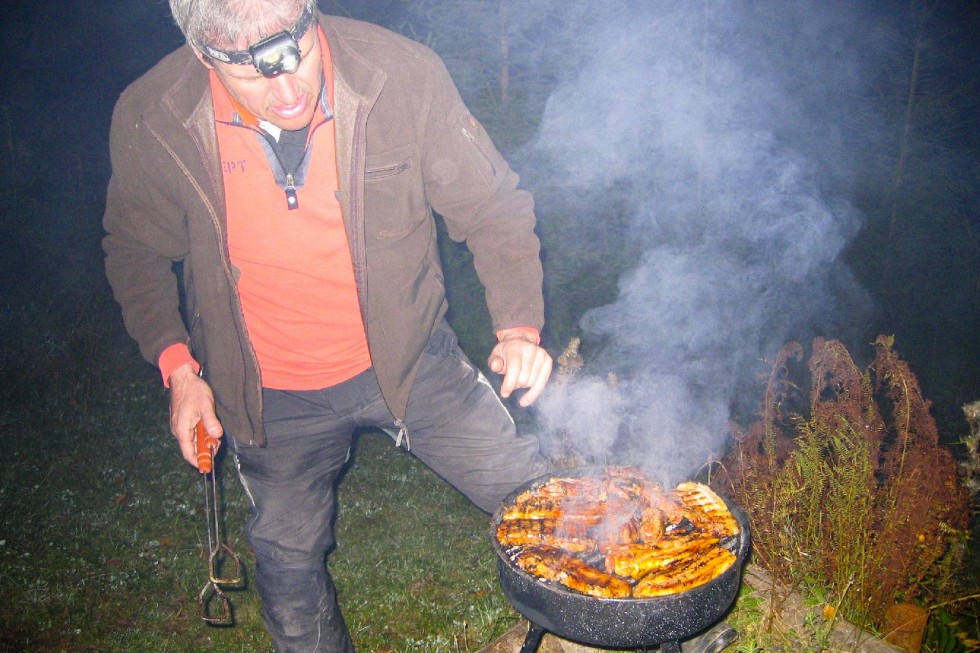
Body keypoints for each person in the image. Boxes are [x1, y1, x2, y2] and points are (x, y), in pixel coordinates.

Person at [102, 1, 552, 650]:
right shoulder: (156, 115)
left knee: (534, 498)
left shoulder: (398, 77)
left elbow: (491, 205)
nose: (288, 94)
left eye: (299, 57)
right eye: (256, 76)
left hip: (412, 362)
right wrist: (179, 369)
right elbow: (135, 248)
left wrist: (519, 326)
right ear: (205, 55)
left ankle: (605, 627)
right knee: (289, 567)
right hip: (273, 395)